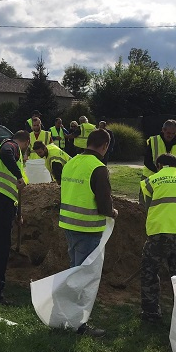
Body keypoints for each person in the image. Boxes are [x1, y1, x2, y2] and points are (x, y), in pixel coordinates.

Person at [59, 129, 118, 337]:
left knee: (75, 271)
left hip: (69, 225)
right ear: (105, 146)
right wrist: (113, 212)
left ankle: (68, 317)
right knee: (84, 278)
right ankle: (79, 325)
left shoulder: (72, 162)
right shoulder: (98, 168)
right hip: (88, 228)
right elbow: (104, 204)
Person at [139, 153, 176, 322]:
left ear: (159, 165)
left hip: (160, 232)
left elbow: (146, 206)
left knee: (149, 271)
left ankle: (151, 314)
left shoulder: (151, 181)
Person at [0, 130, 30, 304]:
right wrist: (18, 175)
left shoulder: (9, 150)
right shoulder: (12, 145)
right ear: (27, 143)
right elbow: (5, 152)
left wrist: (17, 214)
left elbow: (11, 190)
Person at [141, 120, 176, 203]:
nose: (171, 135)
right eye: (168, 133)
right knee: (145, 205)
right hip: (150, 177)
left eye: (173, 133)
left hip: (170, 181)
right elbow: (147, 161)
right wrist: (160, 173)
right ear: (163, 130)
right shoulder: (153, 141)